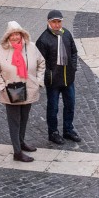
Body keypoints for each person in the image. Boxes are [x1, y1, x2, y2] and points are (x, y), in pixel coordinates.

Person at [0, 20, 45, 163]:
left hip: (29, 88)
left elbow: (41, 63)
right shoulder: (0, 51)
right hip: (12, 91)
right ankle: (17, 151)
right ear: (7, 37)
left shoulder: (31, 47)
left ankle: (21, 142)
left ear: (22, 35)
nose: (15, 37)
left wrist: (39, 81)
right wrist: (2, 87)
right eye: (12, 35)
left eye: (17, 34)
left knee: (24, 118)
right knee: (14, 121)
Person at [36, 11, 80, 146]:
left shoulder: (66, 34)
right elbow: (39, 61)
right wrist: (48, 75)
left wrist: (73, 67)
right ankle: (53, 132)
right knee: (53, 107)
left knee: (70, 105)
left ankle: (68, 129)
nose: (57, 24)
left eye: (59, 22)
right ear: (48, 22)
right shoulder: (43, 40)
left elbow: (73, 52)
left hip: (68, 78)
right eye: (54, 22)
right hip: (53, 80)